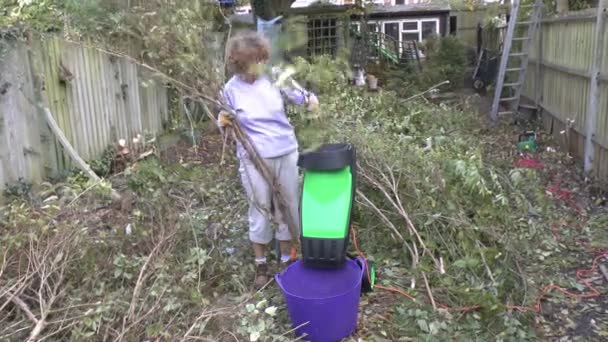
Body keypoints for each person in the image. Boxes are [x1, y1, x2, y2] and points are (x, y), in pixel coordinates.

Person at [218, 31, 319, 289]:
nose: (259, 67)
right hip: (252, 157)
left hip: (285, 151)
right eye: (253, 63)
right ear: (240, 65)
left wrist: (311, 103)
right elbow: (226, 122)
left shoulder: (275, 77)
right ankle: (261, 264)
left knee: (287, 205)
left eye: (262, 60)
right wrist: (223, 121)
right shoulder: (230, 90)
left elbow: (302, 98)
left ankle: (286, 260)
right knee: (261, 207)